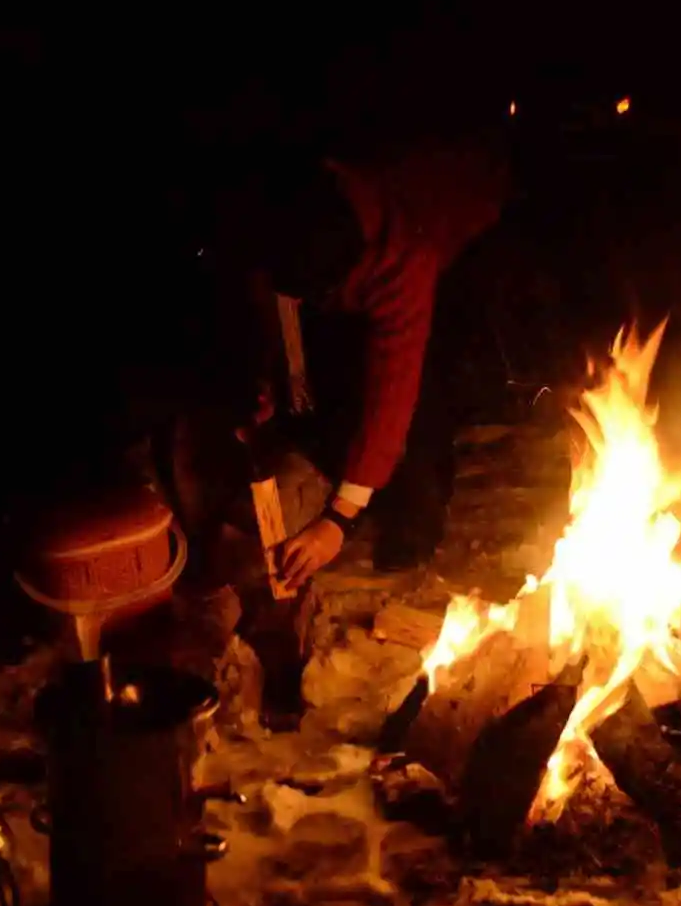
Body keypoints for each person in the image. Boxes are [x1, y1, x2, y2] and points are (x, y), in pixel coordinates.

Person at [207, 128, 510, 588]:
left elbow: (395, 389)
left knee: (421, 393)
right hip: (376, 203)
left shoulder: (404, 258)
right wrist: (265, 377)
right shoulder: (288, 206)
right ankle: (347, 470)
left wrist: (339, 521)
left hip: (461, 225)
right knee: (336, 373)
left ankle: (416, 514)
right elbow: (268, 296)